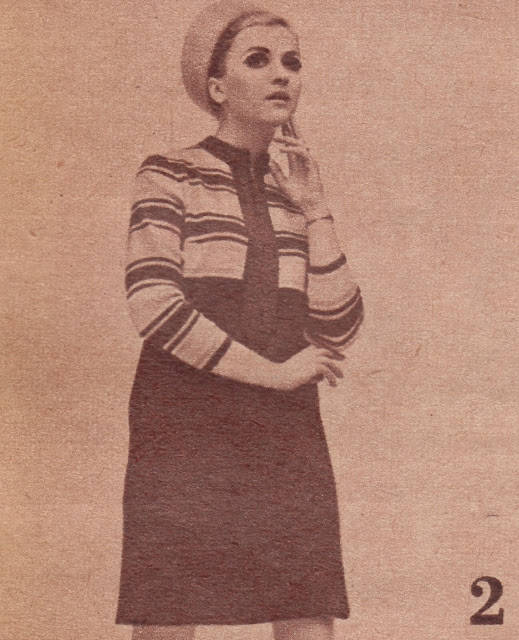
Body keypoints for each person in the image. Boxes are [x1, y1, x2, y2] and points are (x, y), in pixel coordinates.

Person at [115, 1, 365, 639]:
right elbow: (154, 305)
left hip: (284, 426)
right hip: (186, 418)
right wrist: (273, 374)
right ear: (217, 86)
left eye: (292, 62)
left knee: (306, 607)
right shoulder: (170, 172)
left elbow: (337, 326)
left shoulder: (294, 192)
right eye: (258, 60)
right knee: (170, 610)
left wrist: (315, 207)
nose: (282, 74)